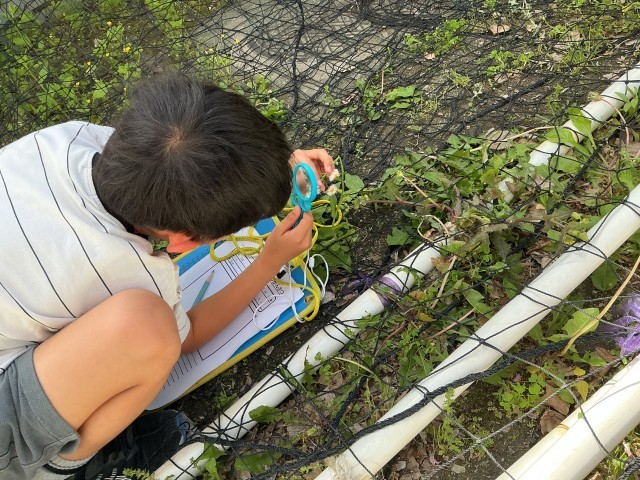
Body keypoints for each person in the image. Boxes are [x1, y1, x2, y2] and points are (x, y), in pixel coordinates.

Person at [0, 72, 335, 479]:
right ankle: (60, 468)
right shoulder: (130, 272)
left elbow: (185, 162)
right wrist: (269, 261)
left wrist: (274, 173)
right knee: (149, 330)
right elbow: (186, 337)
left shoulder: (68, 138)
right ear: (182, 242)